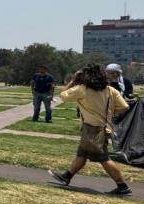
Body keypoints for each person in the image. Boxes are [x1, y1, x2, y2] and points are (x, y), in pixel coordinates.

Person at [48, 64, 132, 196]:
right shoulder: (110, 90)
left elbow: (63, 95)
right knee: (82, 154)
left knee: (103, 158)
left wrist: (74, 80)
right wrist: (109, 113)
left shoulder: (82, 89)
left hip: (91, 129)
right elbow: (125, 107)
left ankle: (122, 186)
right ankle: (67, 176)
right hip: (105, 127)